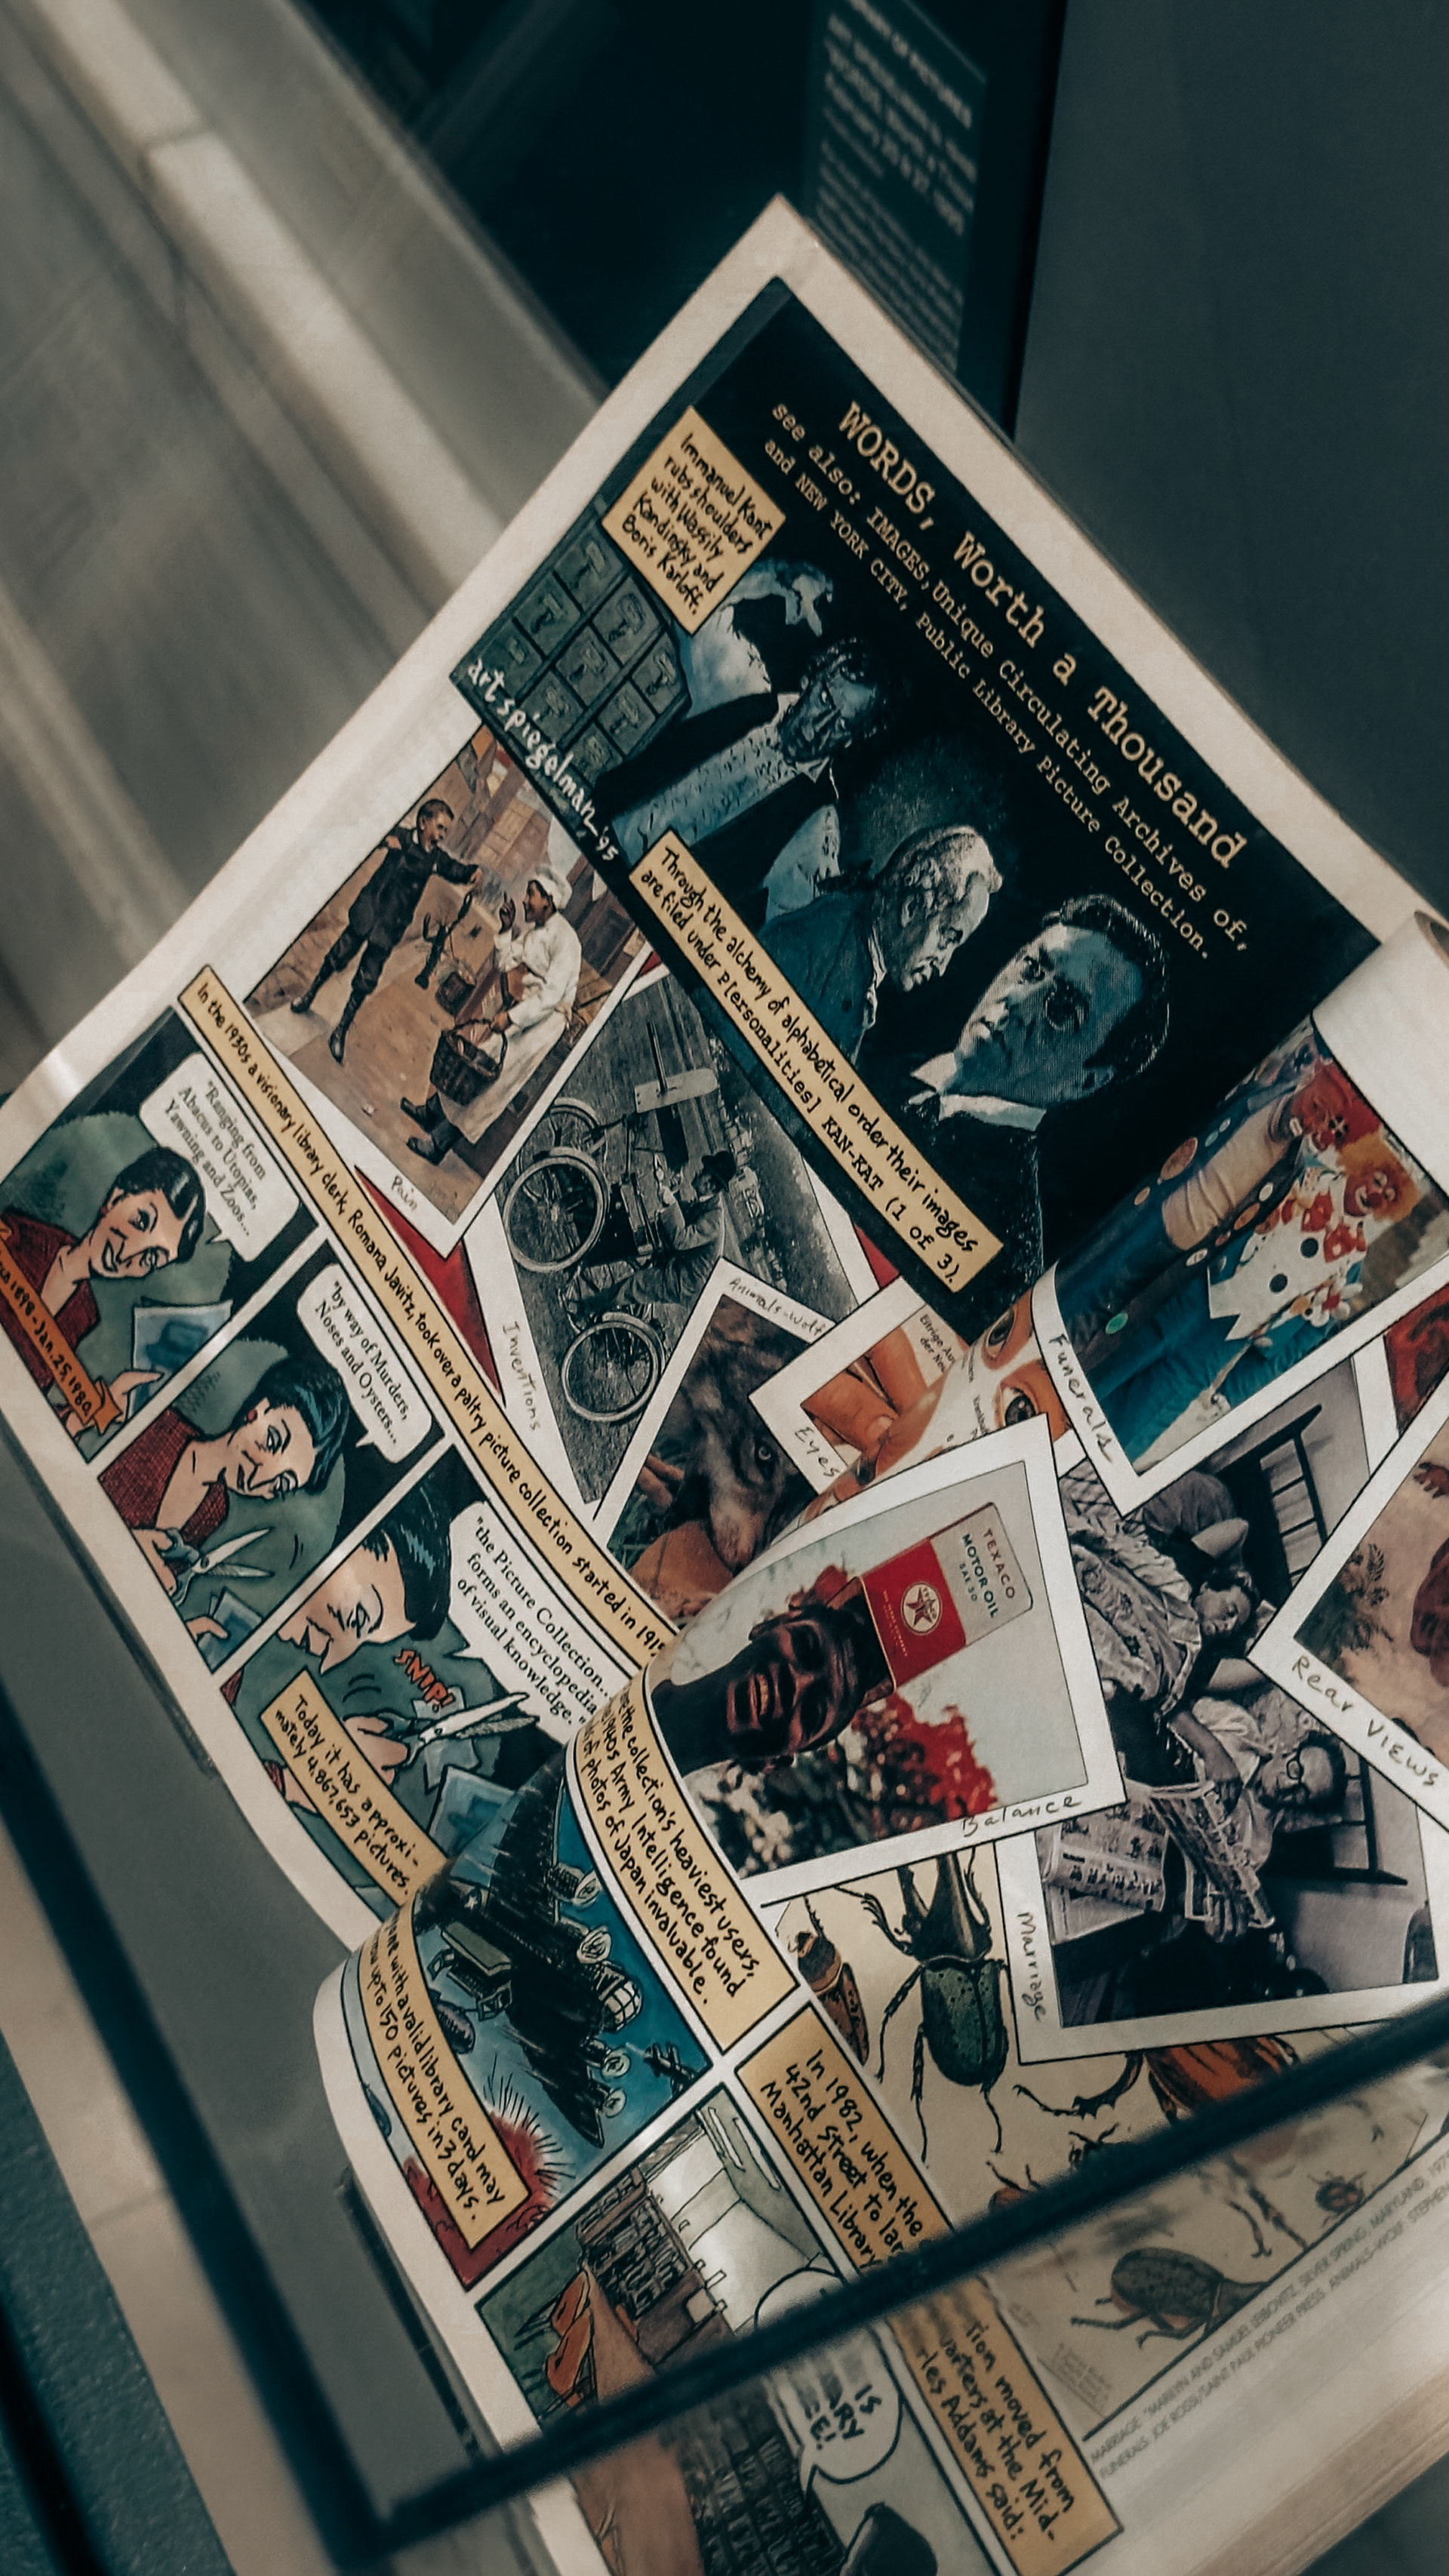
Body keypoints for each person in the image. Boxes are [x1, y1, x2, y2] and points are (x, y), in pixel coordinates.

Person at [908, 896, 1170, 1287]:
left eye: (1063, 1007)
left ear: (1086, 1081)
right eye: (1032, 968)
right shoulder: (875, 1050)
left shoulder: (1007, 1249)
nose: (1017, 1000)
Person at [595, 639, 888, 923]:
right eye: (824, 699)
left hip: (649, 914)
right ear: (810, 679)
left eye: (841, 725)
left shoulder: (818, 823)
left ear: (850, 740)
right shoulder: (747, 690)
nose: (817, 729)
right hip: (603, 836)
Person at [100, 1350, 349, 1606]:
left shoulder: (215, 1510)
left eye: (281, 1484)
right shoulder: (155, 1427)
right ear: (256, 1410)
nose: (257, 1480)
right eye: (272, 1441)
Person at [768, 824, 1000, 1064]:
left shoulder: (854, 949)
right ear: (913, 906)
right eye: (948, 938)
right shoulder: (818, 948)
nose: (942, 967)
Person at [0, 1145, 206, 1406]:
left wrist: (102, 1404)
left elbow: (19, 1398)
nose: (128, 1253)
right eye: (141, 1221)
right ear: (116, 1198)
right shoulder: (16, 1236)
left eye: (152, 1258)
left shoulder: (84, 1314)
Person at [405, 867, 582, 1165]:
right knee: (476, 1061)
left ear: (548, 901)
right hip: (525, 1010)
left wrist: (511, 1018)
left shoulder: (567, 940)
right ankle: (430, 1112)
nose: (524, 901)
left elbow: (552, 997)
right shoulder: (534, 933)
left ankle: (438, 1145)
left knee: (491, 1083)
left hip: (544, 1024)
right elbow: (503, 963)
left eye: (531, 895)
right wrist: (505, 929)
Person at [290, 798, 477, 1062]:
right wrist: (383, 840)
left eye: (445, 830)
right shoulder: (400, 836)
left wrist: (474, 872)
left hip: (390, 927)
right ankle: (309, 996)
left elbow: (455, 869)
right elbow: (370, 830)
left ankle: (341, 1030)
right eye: (440, 827)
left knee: (366, 980)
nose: (442, 835)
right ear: (423, 822)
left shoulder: (435, 859)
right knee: (337, 957)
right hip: (368, 912)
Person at [651, 1576, 894, 1774]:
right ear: (771, 1625)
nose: (796, 1684)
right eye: (804, 1646)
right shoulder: (649, 1643)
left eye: (812, 1713)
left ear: (773, 1762)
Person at [577, 1150, 737, 1325]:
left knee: (636, 1285)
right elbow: (682, 1217)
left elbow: (681, 1239)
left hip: (685, 1282)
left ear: (711, 1186)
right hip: (678, 1261)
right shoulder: (707, 1203)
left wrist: (671, 1203)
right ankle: (586, 1256)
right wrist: (674, 1192)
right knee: (635, 1239)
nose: (698, 1172)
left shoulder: (714, 1220)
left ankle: (583, 1309)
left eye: (704, 1172)